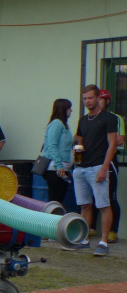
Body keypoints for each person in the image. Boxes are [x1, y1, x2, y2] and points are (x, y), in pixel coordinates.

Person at [68, 85, 118, 257]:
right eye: (85, 99)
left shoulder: (109, 118)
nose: (87, 101)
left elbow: (112, 144)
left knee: (103, 204)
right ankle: (84, 239)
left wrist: (104, 167)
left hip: (98, 166)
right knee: (84, 205)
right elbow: (80, 143)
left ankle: (103, 242)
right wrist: (76, 160)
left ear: (98, 98)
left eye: (90, 98)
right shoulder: (83, 120)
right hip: (81, 168)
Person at [100, 90, 124, 243]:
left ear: (107, 101)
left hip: (110, 160)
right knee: (94, 195)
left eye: (101, 99)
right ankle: (91, 228)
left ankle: (113, 230)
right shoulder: (91, 118)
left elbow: (120, 140)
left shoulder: (116, 118)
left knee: (110, 195)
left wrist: (101, 140)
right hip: (94, 159)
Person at [40, 99, 74, 204]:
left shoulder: (64, 126)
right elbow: (52, 145)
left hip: (64, 168)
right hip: (55, 169)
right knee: (55, 200)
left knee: (60, 199)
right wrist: (59, 165)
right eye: (69, 108)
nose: (71, 111)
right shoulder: (56, 124)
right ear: (63, 109)